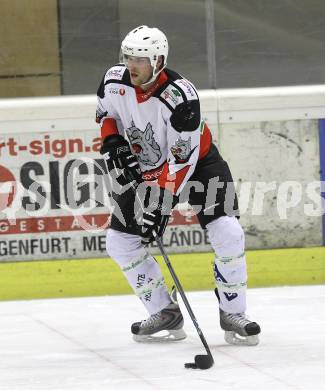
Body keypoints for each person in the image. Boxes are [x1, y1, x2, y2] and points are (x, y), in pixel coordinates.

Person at [96, 25, 261, 345]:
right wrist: (113, 141)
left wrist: (159, 204)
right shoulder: (114, 81)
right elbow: (106, 115)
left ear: (158, 61)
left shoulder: (180, 97)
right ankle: (163, 311)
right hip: (145, 168)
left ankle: (233, 312)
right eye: (128, 57)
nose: (132, 65)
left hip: (198, 163)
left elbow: (181, 161)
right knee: (120, 242)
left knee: (228, 231)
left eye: (140, 59)